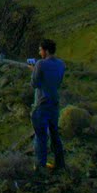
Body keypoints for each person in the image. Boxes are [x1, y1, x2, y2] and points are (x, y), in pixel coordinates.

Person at [30, 38, 67, 173]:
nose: (39, 53)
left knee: (40, 136)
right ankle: (60, 163)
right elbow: (57, 83)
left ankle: (40, 165)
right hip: (54, 103)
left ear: (45, 50)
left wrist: (34, 70)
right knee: (54, 134)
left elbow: (34, 84)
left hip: (42, 103)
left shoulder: (40, 64)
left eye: (40, 50)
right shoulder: (62, 64)